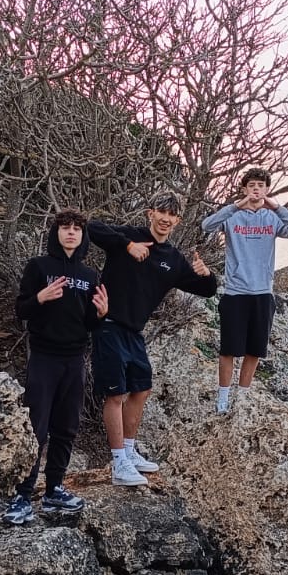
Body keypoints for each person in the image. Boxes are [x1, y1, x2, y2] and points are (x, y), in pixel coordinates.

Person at [88, 192, 218, 486]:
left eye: (172, 215)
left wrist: (206, 274)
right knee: (115, 395)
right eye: (161, 212)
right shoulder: (130, 237)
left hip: (135, 332)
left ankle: (129, 451)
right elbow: (92, 227)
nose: (165, 219)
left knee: (142, 389)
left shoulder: (173, 259)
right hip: (108, 324)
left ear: (178, 220)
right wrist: (127, 245)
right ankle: (119, 463)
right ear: (150, 213)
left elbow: (207, 290)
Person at [5, 210, 110, 525]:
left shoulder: (90, 275)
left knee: (66, 427)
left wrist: (101, 314)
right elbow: (21, 310)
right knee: (36, 426)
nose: (71, 232)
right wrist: (39, 297)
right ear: (56, 233)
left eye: (77, 228)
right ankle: (22, 495)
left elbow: (90, 323)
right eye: (65, 227)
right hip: (44, 358)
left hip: (75, 360)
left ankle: (54, 489)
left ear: (83, 236)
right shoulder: (38, 267)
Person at [201, 167, 288, 413]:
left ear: (267, 189)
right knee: (229, 349)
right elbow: (207, 225)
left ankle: (243, 397)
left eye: (260, 185)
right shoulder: (233, 216)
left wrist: (276, 207)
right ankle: (222, 399)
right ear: (244, 189)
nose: (256, 189)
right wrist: (235, 206)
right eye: (251, 185)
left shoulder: (272, 218)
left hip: (262, 293)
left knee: (254, 350)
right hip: (235, 292)